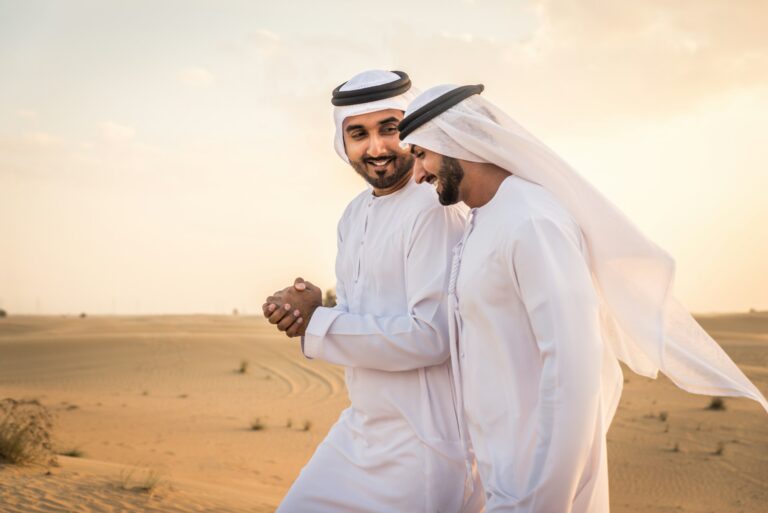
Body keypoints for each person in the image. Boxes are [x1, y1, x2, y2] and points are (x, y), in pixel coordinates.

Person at [397, 83, 768, 513]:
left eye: (422, 153)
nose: (419, 173)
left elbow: (573, 371)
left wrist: (544, 501)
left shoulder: (531, 220)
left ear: (454, 143)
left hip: (543, 492)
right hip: (503, 484)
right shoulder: (483, 222)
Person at [262, 71, 484, 513]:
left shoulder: (434, 206)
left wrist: (316, 321)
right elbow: (357, 313)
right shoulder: (353, 213)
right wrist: (308, 308)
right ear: (341, 142)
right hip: (360, 431)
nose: (377, 148)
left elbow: (431, 336)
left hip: (423, 441)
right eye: (358, 133)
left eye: (390, 128)